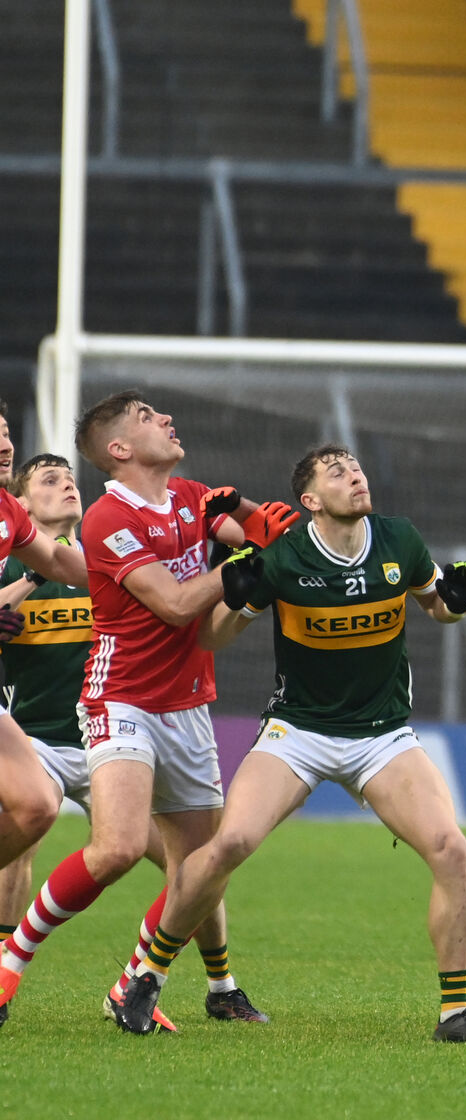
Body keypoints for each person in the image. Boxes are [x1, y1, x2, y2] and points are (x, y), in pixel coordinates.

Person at [117, 444, 466, 1044]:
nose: (355, 476)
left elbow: (436, 608)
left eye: (356, 468)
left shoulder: (400, 539)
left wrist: (454, 604)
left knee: (451, 849)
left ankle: (455, 1014)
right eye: (337, 472)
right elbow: (215, 639)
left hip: (382, 734)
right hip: (298, 731)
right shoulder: (285, 553)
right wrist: (239, 597)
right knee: (231, 843)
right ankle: (146, 976)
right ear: (310, 500)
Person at [0, 391, 296, 1026]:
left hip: (188, 705)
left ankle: (142, 980)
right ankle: (10, 963)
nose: (164, 418)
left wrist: (264, 527)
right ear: (120, 449)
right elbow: (179, 604)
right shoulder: (110, 517)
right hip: (120, 698)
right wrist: (243, 560)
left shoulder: (190, 496)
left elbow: (272, 542)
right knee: (116, 848)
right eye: (145, 416)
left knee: (204, 865)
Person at [0, 403, 89, 879]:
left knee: (35, 809)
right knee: (29, 817)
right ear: (27, 502)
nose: (5, 445)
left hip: (104, 739)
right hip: (36, 736)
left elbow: (58, 564)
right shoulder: (12, 562)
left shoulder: (10, 513)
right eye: (49, 481)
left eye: (8, 432)